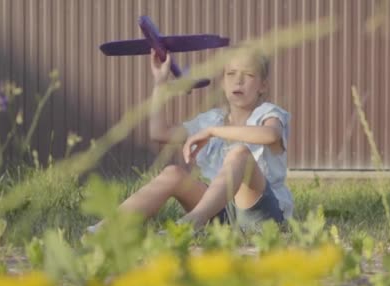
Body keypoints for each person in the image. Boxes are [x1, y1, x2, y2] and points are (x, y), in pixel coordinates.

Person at [87, 46, 293, 233]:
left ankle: (192, 223)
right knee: (173, 173)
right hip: (219, 213)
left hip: (261, 214)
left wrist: (214, 132)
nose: (238, 81)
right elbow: (159, 133)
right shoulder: (213, 119)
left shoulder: (269, 113)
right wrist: (160, 84)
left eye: (248, 75)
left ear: (263, 86)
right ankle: (105, 230)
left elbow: (270, 135)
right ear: (222, 82)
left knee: (239, 153)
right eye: (231, 74)